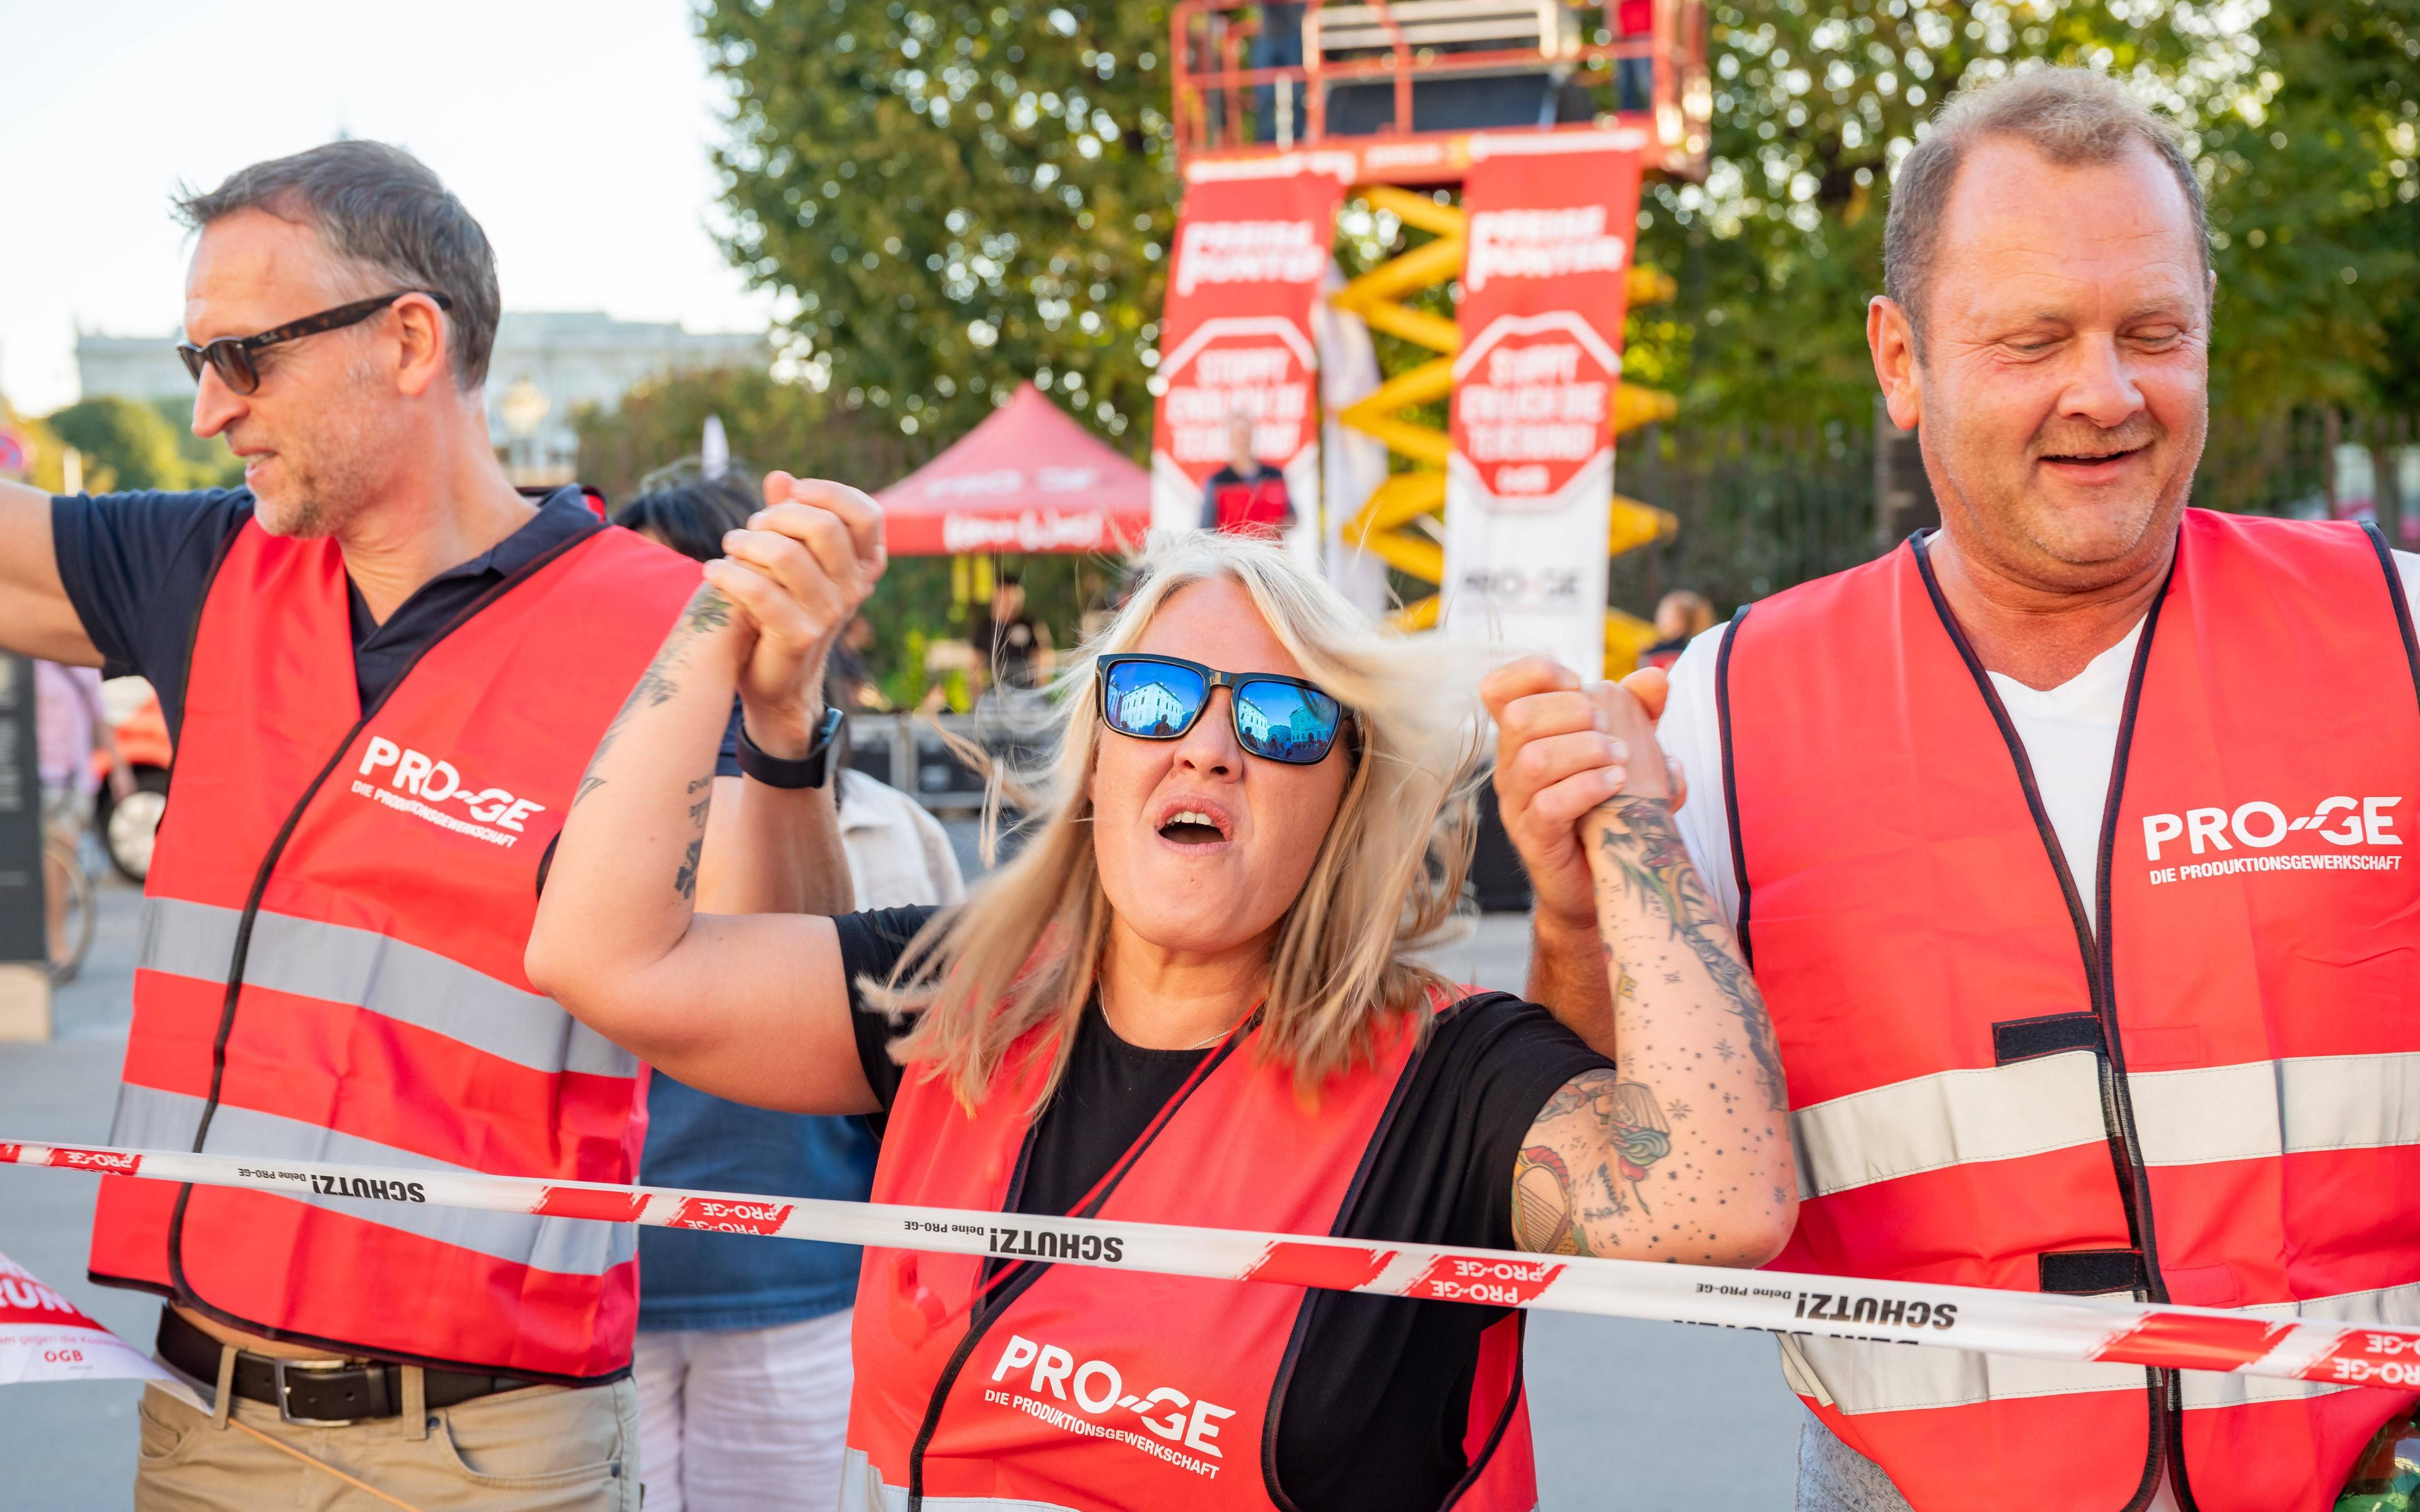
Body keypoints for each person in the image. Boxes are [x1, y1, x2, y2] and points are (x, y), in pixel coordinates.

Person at [1497, 67, 2420, 1512]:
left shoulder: (2398, 638)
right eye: (2030, 338)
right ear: (1898, 357)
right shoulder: (1725, 711)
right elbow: (1615, 1157)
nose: (2103, 392)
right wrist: (1567, 918)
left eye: (2151, 332)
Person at [526, 521, 1798, 1511]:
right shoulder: (962, 995)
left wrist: (1630, 826)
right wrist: (721, 621)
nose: (1205, 745)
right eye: (1153, 698)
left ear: (1346, 801)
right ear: (1099, 754)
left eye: (1283, 719)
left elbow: (1717, 1200)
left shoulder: (1447, 1075)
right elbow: (603, 952)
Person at [0, 140, 867, 1511]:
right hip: (199, 1419)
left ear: (409, 341)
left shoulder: (661, 626)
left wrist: (783, 724)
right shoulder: (212, 568)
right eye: (194, 365)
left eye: (246, 358)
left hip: (487, 1450)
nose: (211, 411)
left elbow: (792, 1016)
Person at [609, 467, 963, 1512]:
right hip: (595, 1286)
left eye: (709, 600)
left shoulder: (890, 829)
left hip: (806, 1286)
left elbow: (938, 1076)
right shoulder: (563, 828)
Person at [1199, 411, 1296, 537]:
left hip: (1271, 554)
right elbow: (1205, 529)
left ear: (1252, 435)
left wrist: (1277, 529)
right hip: (1234, 555)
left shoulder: (1275, 476)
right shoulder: (1217, 482)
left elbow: (1293, 517)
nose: (1242, 439)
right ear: (1230, 438)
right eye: (1238, 434)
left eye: (1245, 433)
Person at [981, 569, 1052, 692]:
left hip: (1027, 691)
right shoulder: (985, 627)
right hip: (994, 691)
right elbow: (977, 662)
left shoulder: (1031, 623)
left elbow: (1043, 654)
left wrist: (1042, 687)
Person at [1637, 588, 1715, 670]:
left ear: (1682, 622)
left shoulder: (1662, 653)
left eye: (1665, 615)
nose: (1658, 618)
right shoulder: (1700, 651)